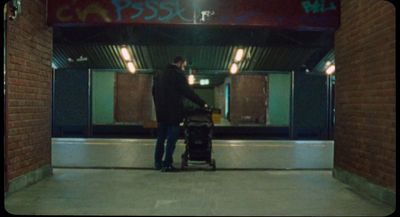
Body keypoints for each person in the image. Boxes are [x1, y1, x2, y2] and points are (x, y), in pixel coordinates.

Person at [152, 56, 208, 172]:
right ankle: (167, 164)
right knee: (171, 139)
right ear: (180, 63)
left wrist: (158, 106)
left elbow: (153, 92)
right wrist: (203, 103)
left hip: (161, 113)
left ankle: (158, 163)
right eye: (184, 65)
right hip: (173, 113)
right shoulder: (177, 74)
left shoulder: (159, 74)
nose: (184, 68)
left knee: (161, 138)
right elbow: (188, 92)